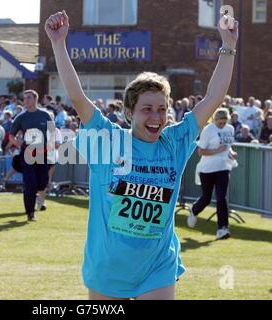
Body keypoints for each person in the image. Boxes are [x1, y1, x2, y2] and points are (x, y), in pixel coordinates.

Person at [45, 10, 238, 300]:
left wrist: (228, 46)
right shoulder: (108, 141)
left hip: (157, 266)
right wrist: (59, 44)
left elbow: (213, 98)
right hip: (108, 269)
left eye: (162, 109)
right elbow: (77, 97)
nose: (156, 117)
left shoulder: (175, 142)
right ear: (128, 112)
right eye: (147, 109)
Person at [187, 109, 237, 240]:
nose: (221, 125)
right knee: (206, 198)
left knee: (222, 198)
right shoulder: (208, 130)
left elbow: (228, 146)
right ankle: (194, 210)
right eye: (219, 123)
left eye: (224, 123)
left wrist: (231, 153)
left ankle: (223, 229)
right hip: (207, 169)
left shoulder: (230, 128)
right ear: (215, 120)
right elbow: (201, 151)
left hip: (223, 168)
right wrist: (216, 151)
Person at [9, 90, 52, 222]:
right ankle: (30, 213)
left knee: (42, 183)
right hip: (27, 153)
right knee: (30, 183)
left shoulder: (45, 115)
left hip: (42, 153)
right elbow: (11, 136)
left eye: (28, 98)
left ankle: (37, 198)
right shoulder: (21, 117)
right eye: (24, 98)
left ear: (35, 99)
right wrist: (18, 143)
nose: (25, 100)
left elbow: (52, 132)